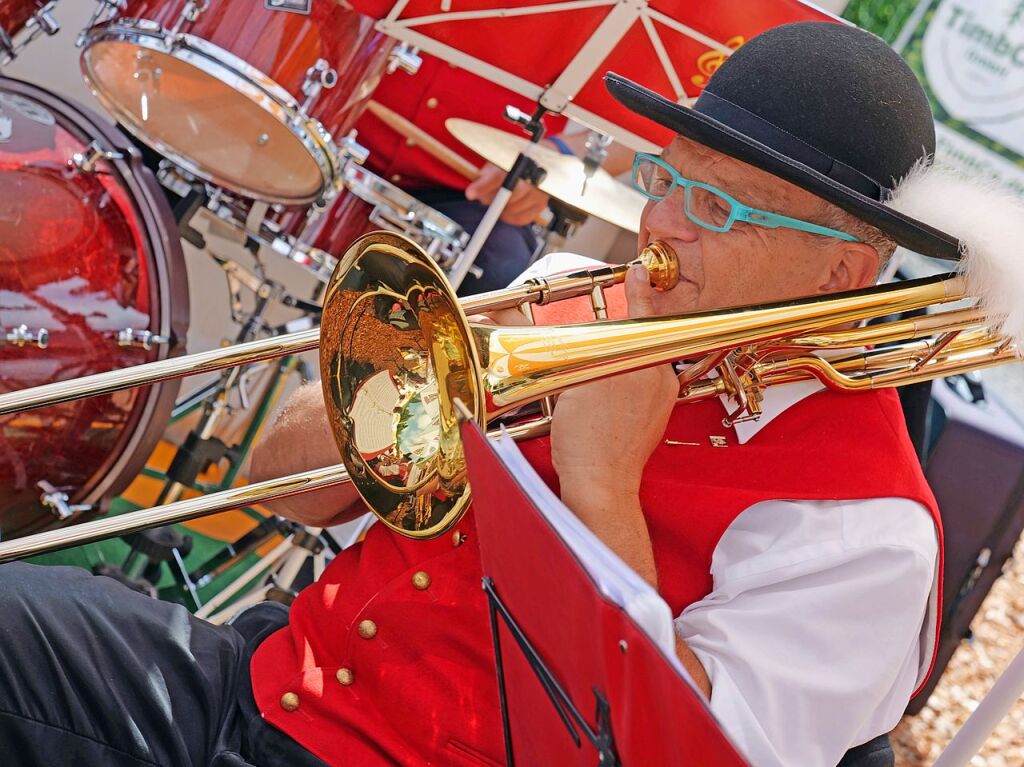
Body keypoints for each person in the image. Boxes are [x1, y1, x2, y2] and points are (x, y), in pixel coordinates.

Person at [0, 21, 986, 767]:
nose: (666, 225)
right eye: (666, 179)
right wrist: (428, 367)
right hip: (263, 686)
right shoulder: (572, 294)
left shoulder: (864, 533)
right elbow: (280, 489)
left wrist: (602, 487)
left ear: (841, 274)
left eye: (716, 207)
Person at [355, 52, 633, 293]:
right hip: (346, 141)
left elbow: (642, 130)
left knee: (504, 278)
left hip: (475, 194)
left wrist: (556, 158)